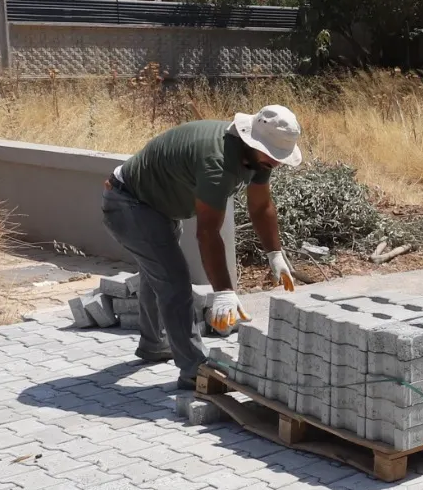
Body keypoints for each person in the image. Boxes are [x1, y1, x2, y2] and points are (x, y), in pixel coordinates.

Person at [102, 106, 304, 387]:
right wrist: (224, 292)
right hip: (130, 204)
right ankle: (194, 370)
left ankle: (154, 343)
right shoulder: (218, 162)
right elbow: (208, 233)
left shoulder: (258, 159)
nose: (277, 164)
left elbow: (261, 206)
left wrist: (275, 253)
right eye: (272, 157)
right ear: (252, 141)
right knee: (174, 282)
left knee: (158, 272)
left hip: (157, 205)